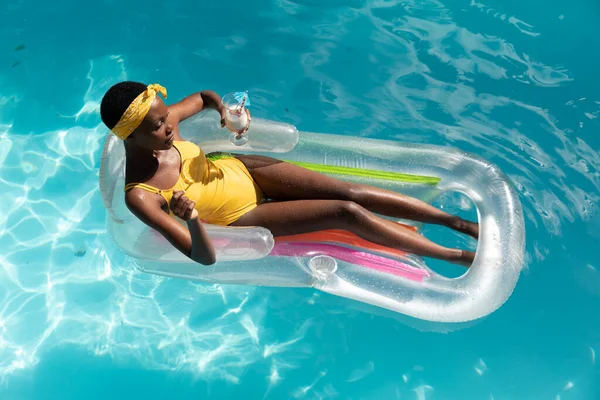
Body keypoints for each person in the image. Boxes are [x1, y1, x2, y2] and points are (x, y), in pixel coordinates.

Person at [99, 81, 479, 267]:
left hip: (246, 170)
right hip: (242, 215)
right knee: (346, 212)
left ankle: (457, 223)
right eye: (158, 126)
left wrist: (225, 115)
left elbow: (203, 97)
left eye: (167, 117)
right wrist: (193, 219)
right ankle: (452, 255)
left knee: (351, 191)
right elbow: (202, 256)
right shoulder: (142, 195)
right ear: (130, 136)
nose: (169, 127)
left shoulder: (169, 129)